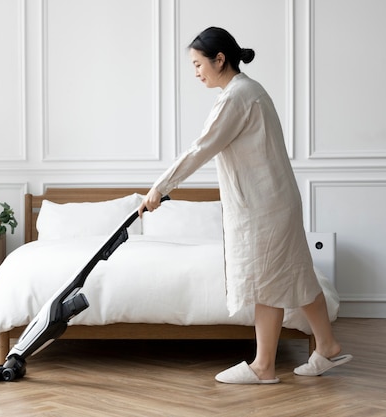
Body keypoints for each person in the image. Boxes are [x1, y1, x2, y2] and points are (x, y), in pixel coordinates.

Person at [138, 27, 352, 384]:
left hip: (264, 207)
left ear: (219, 59)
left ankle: (263, 367)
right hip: (276, 201)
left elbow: (200, 148)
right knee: (296, 273)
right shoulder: (250, 90)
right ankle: (326, 345)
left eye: (197, 64)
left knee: (269, 280)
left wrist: (160, 187)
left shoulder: (236, 97)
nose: (195, 72)